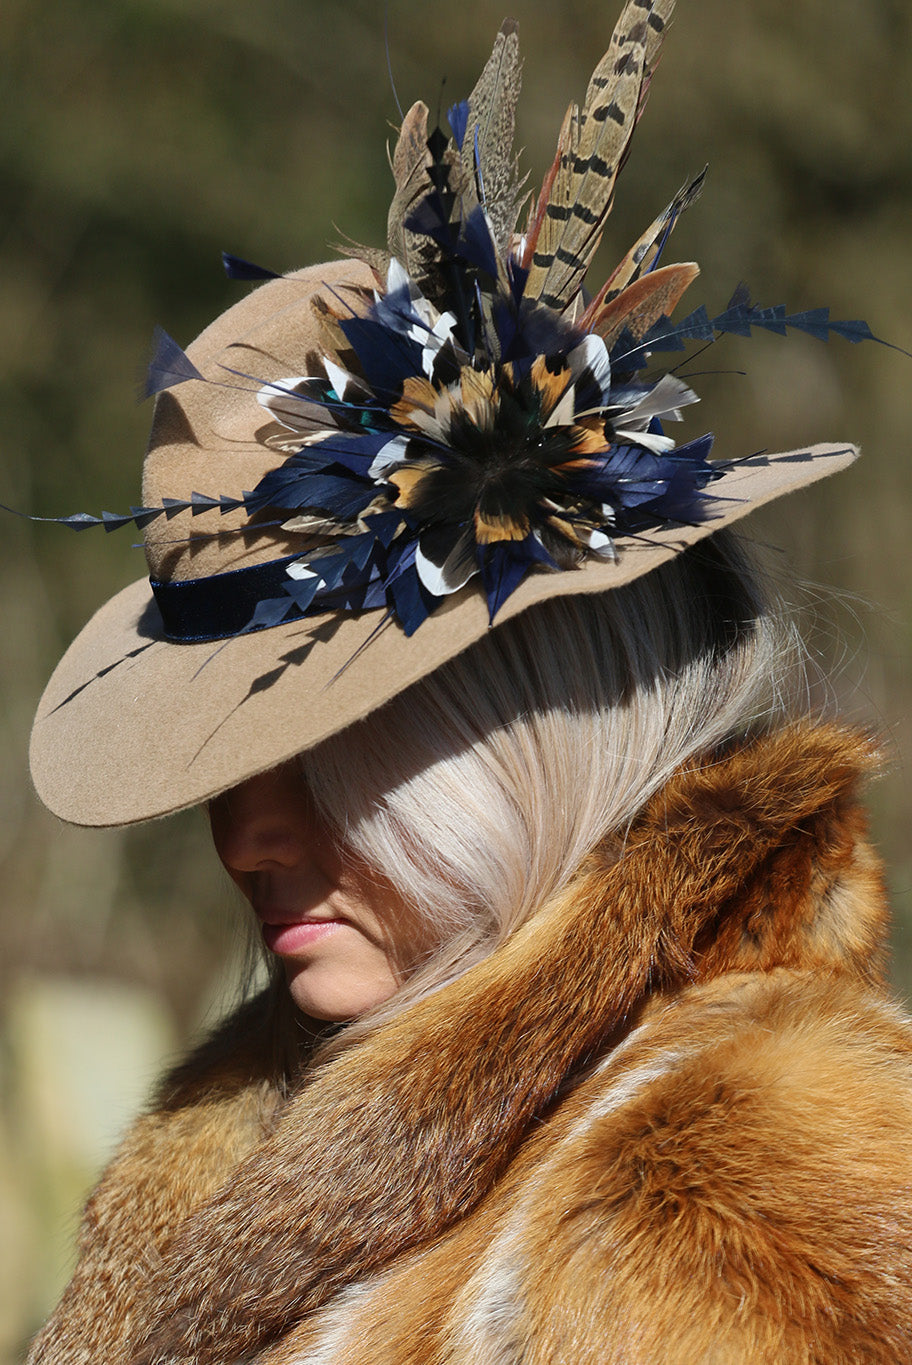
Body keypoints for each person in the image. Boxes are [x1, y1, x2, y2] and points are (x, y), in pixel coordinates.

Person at [24, 2, 912, 1361]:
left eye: (321, 740)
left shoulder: (731, 1195)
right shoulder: (263, 1132)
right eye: (221, 757)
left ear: (527, 716)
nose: (243, 833)